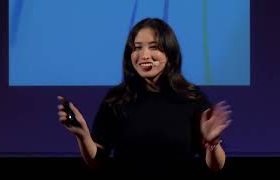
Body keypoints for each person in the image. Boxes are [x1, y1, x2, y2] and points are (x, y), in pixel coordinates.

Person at [57, 18, 232, 178]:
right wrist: (83, 136)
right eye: (137, 47)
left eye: (154, 47)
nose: (144, 55)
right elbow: (97, 161)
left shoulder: (192, 98)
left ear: (169, 54)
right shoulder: (117, 99)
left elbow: (216, 166)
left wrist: (212, 143)